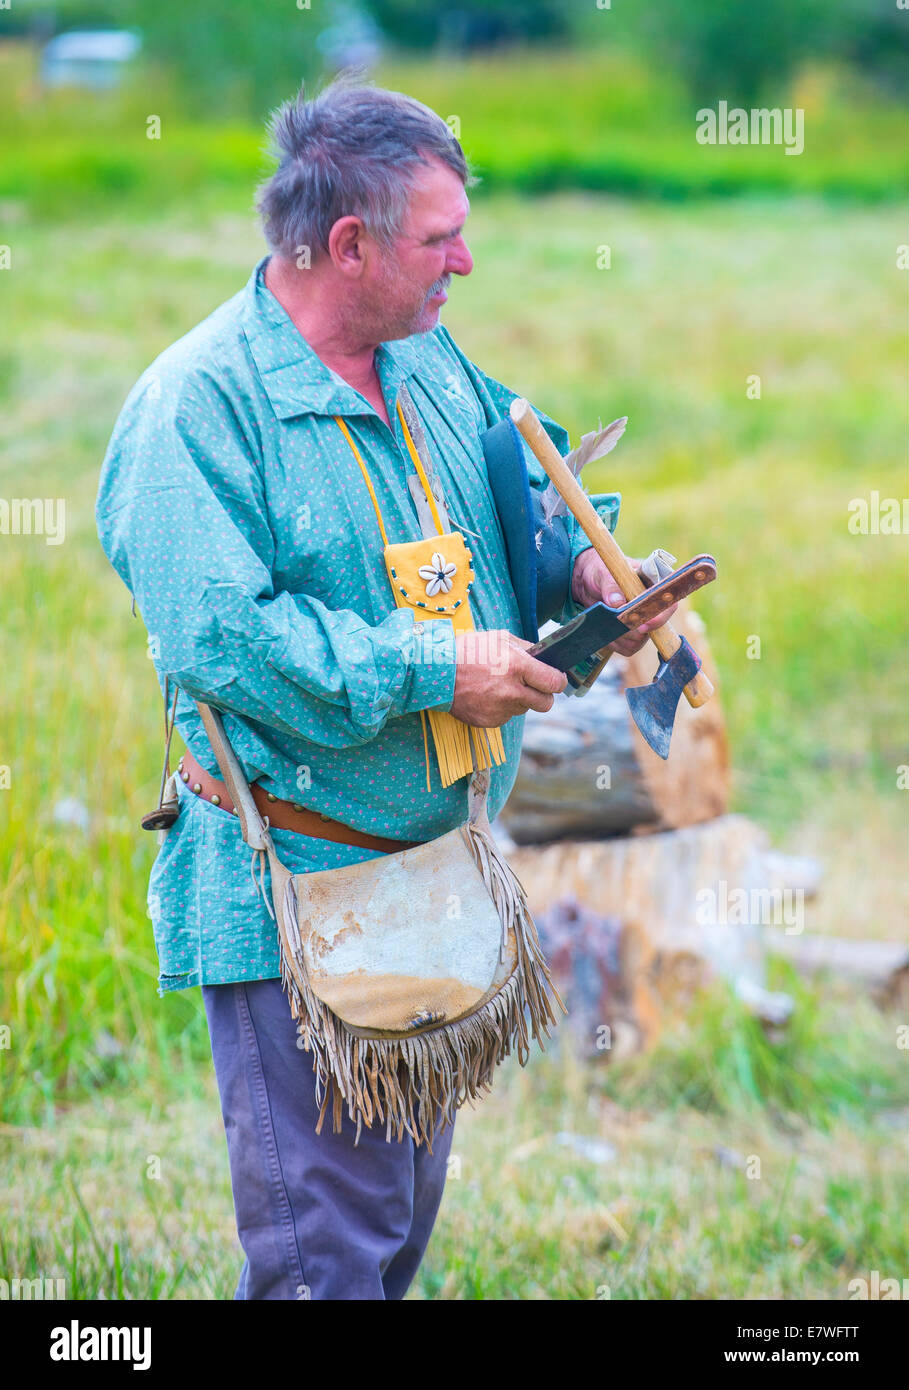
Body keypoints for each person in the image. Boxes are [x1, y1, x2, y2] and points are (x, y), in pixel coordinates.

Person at [95, 77, 675, 1301]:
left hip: (435, 875)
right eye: (439, 237)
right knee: (326, 1263)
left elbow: (515, 474)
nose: (466, 258)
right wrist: (438, 666)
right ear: (346, 244)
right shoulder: (195, 407)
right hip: (296, 888)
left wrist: (584, 563)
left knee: (393, 1234)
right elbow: (224, 643)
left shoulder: (423, 357)